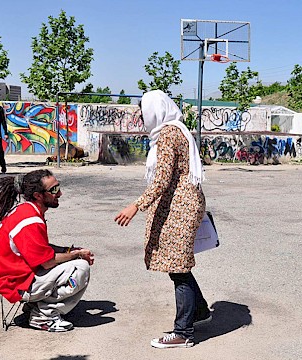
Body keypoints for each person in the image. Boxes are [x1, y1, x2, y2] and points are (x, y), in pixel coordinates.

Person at [115, 90, 210, 349]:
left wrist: (136, 206)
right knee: (177, 265)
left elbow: (162, 179)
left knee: (178, 268)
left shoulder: (168, 134)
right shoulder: (177, 129)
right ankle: (199, 311)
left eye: (144, 112)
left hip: (179, 207)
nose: (143, 118)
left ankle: (183, 332)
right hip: (182, 203)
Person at [0, 169, 94, 332]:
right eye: (54, 190)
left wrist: (70, 250)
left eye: (58, 187)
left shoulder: (26, 209)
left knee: (75, 261)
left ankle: (36, 306)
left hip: (17, 277)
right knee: (81, 268)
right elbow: (47, 261)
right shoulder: (30, 220)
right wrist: (77, 255)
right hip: (16, 284)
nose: (59, 193)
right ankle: (43, 316)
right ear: (38, 195)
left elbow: (42, 250)